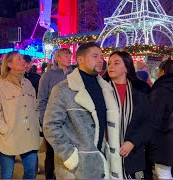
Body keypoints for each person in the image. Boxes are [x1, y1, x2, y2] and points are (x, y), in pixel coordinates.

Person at [43, 42, 123, 179]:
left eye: (102, 56)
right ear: (80, 59)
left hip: (102, 161)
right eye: (95, 56)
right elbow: (50, 126)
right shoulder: (63, 89)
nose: (101, 60)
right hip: (77, 166)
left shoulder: (106, 88)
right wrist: (69, 155)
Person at [0, 51, 40, 179]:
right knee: (7, 175)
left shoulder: (28, 84)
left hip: (29, 137)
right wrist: (5, 129)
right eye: (19, 59)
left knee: (31, 172)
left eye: (23, 59)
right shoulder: (0, 86)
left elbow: (35, 106)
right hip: (8, 138)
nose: (23, 61)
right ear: (9, 64)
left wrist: (36, 125)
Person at [106, 51, 153, 178]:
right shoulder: (101, 90)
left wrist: (132, 142)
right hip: (105, 152)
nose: (110, 66)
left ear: (126, 67)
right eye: (109, 63)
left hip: (133, 153)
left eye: (116, 63)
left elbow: (148, 123)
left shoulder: (140, 90)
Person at [37, 48, 73, 179]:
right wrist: (44, 121)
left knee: (68, 153)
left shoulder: (75, 74)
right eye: (65, 56)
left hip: (71, 122)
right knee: (51, 154)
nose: (69, 58)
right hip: (53, 121)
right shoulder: (48, 76)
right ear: (57, 58)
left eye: (70, 55)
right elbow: (41, 99)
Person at [149, 60, 173, 179]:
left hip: (164, 140)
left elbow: (154, 117)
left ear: (162, 72)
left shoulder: (160, 89)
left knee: (163, 173)